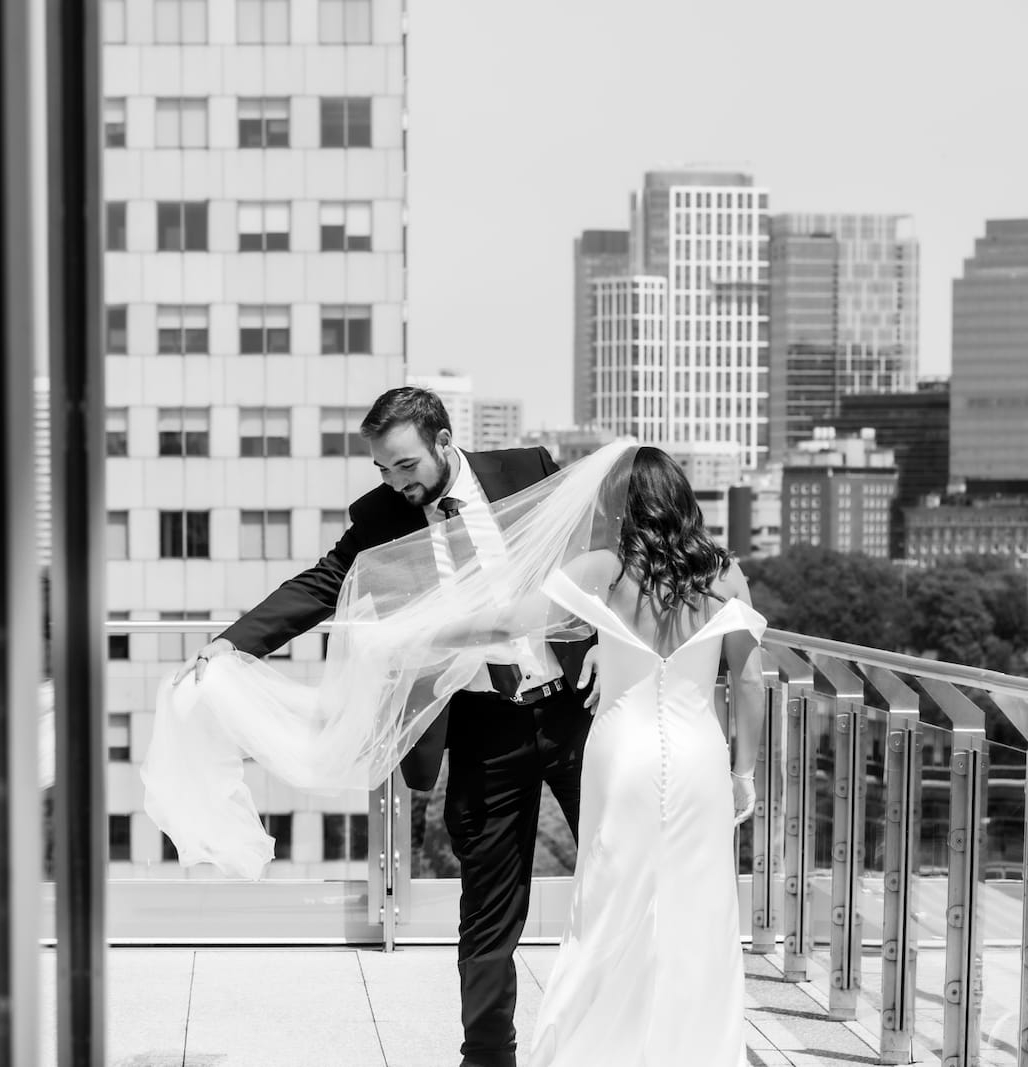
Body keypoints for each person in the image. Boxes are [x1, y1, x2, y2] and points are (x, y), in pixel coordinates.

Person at [176, 386, 596, 1067]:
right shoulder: (380, 516)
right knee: (489, 911)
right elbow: (323, 581)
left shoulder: (526, 468)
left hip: (574, 706)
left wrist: (610, 637)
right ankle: (488, 1056)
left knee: (619, 868)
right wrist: (236, 642)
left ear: (442, 440)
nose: (395, 481)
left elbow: (595, 550)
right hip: (485, 727)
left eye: (404, 465)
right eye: (382, 469)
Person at [445, 444, 765, 1067]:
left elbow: (511, 623)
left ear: (621, 502)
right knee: (698, 907)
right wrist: (744, 771)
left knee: (609, 902)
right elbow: (748, 683)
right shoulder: (725, 574)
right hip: (699, 754)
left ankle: (594, 1046)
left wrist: (420, 633)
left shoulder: (603, 569)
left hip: (622, 753)